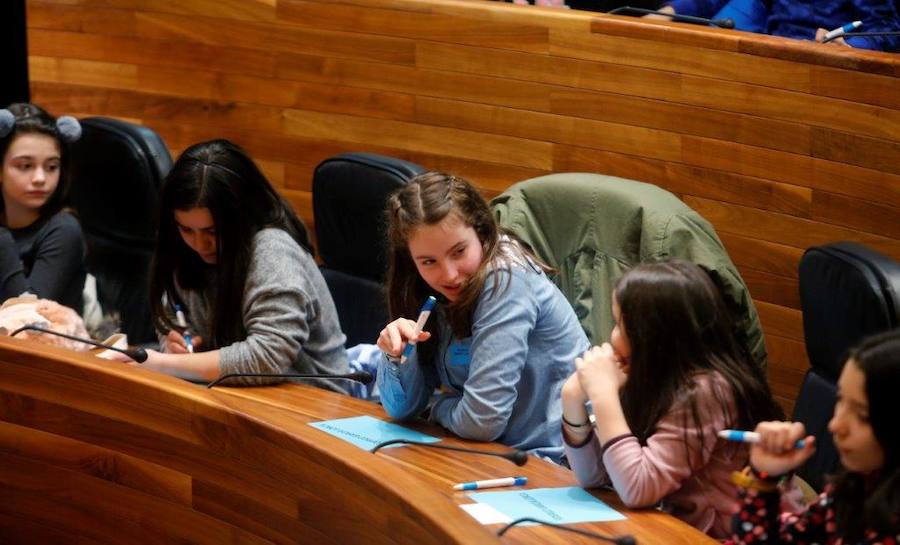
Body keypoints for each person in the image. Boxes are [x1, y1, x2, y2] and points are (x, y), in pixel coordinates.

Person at [375, 172, 590, 463]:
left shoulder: (507, 277)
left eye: (459, 251)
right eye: (429, 262)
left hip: (553, 462)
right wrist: (396, 357)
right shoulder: (424, 289)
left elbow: (481, 421)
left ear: (482, 231)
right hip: (492, 454)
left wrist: (437, 406)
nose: (449, 275)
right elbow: (401, 409)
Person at [561, 260, 784, 538]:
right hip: (670, 530)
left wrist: (603, 395)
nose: (612, 336)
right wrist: (571, 400)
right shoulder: (650, 378)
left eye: (620, 325)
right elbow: (595, 478)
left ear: (653, 338)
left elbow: (636, 488)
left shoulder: (708, 390)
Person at [139, 139, 349, 391]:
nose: (199, 244)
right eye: (186, 229)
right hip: (231, 393)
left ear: (241, 217)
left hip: (310, 403)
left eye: (212, 231)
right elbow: (171, 312)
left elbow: (267, 357)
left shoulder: (273, 251)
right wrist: (171, 344)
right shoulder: (181, 246)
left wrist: (164, 363)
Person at [729, 329, 900, 544]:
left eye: (862, 416)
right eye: (840, 400)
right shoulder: (857, 485)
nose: (835, 424)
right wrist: (764, 478)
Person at [0, 103, 86, 312]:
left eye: (51, 167)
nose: (40, 178)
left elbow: (27, 321)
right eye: (25, 166)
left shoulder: (64, 230)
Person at [654, 0, 900, 51]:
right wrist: (668, 12)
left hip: (829, 70)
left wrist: (848, 44)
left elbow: (887, 28)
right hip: (776, 55)